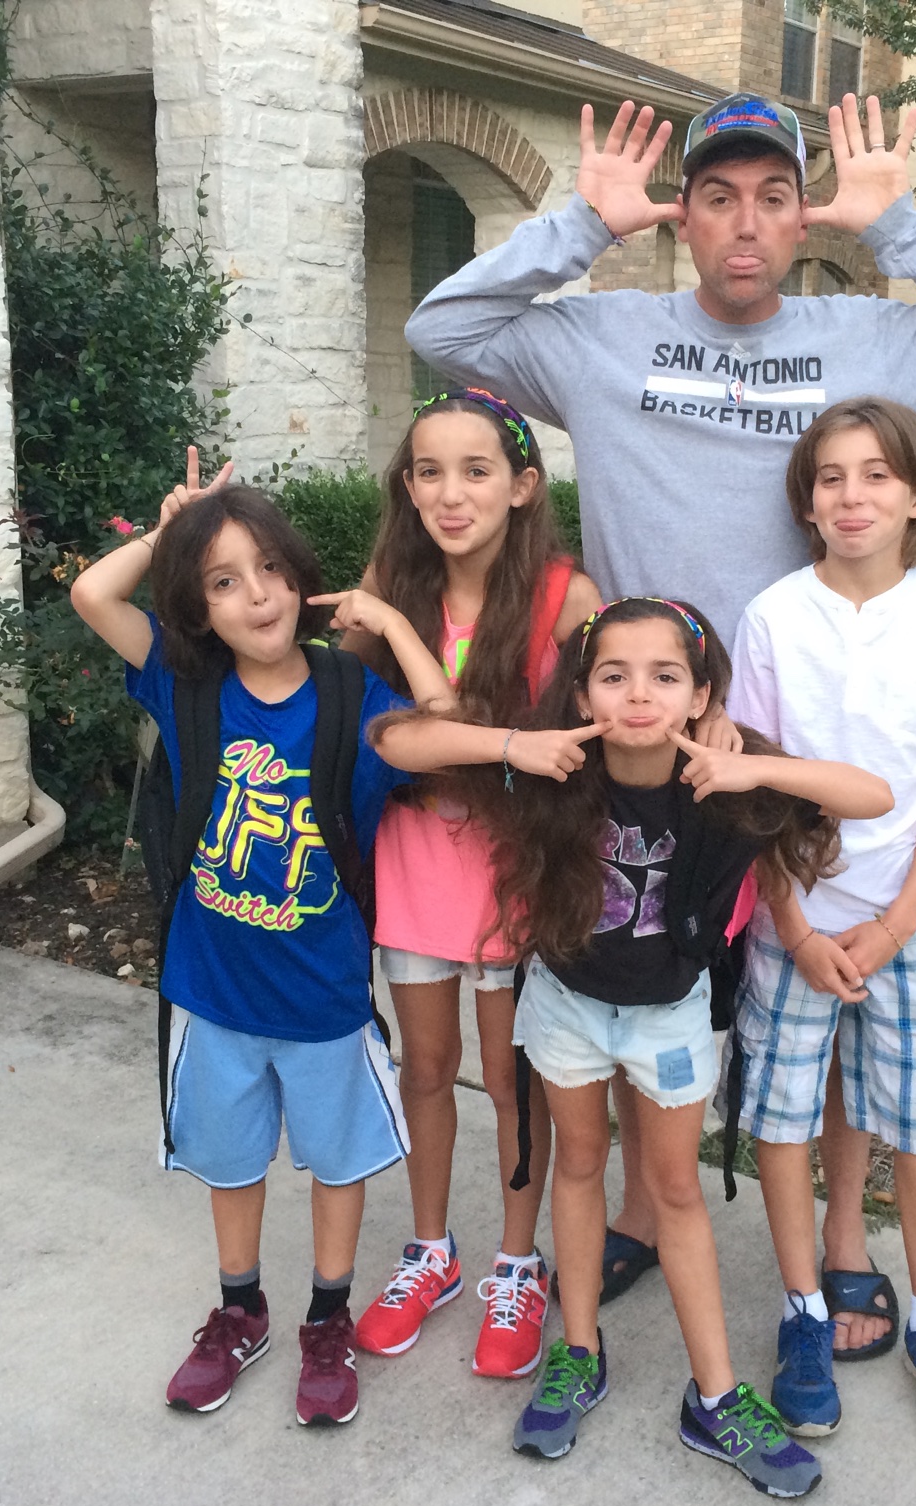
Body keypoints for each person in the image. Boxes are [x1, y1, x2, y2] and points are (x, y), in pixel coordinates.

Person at [406, 89, 916, 1311]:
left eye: (773, 195)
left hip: (789, 738)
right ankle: (633, 1219)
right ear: (686, 217)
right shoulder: (601, 335)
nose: (746, 223)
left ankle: (844, 1245)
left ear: (802, 209)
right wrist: (577, 227)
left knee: (809, 1000)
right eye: (717, 196)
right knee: (616, 968)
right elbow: (442, 322)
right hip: (633, 724)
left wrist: (899, 227)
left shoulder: (867, 337)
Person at [374, 598, 891, 1497]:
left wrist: (749, 764)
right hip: (568, 1007)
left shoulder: (724, 782)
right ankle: (579, 1351)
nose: (639, 694)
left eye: (665, 676)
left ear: (700, 697)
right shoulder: (555, 769)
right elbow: (396, 744)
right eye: (614, 676)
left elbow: (871, 795)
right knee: (577, 1166)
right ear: (582, 690)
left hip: (671, 1019)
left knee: (673, 1189)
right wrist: (509, 745)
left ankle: (717, 1397)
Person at [70, 451, 452, 1428]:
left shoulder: (350, 696)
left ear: (297, 573)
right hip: (213, 994)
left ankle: (328, 1318)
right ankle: (240, 1308)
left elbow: (444, 727)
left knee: (335, 1163)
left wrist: (395, 625)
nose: (256, 594)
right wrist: (171, 530)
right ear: (197, 609)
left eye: (269, 569)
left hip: (324, 999)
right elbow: (89, 591)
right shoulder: (182, 683)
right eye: (222, 581)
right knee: (230, 1165)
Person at [725, 398, 916, 1447]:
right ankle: (803, 1312)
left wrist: (892, 924)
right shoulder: (770, 616)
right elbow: (750, 785)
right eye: (831, 477)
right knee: (783, 1117)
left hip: (908, 919)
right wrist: (794, 927)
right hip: (791, 919)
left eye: (875, 476)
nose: (852, 495)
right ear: (805, 502)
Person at [330, 388, 600, 1379]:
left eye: (476, 470)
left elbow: (592, 728)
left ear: (523, 486)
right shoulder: (393, 582)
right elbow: (360, 723)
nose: (451, 494)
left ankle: (516, 1266)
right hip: (411, 859)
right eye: (428, 472)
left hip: (517, 867)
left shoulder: (565, 594)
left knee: (515, 1079)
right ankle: (430, 1252)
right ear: (406, 486)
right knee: (426, 1068)